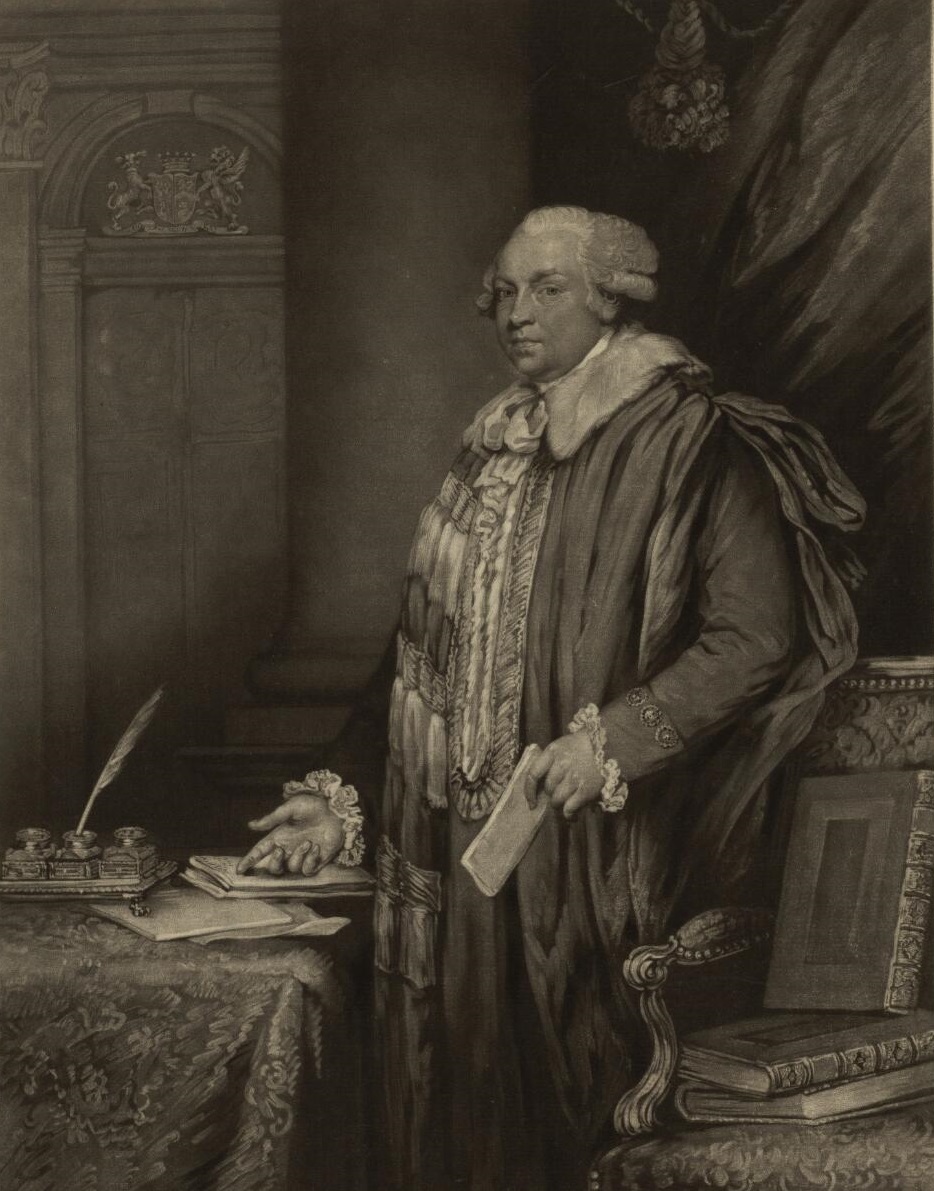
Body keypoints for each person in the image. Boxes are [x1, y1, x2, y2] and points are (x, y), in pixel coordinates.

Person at [239, 207, 865, 1190]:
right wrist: (339, 796)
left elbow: (755, 639)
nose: (516, 313)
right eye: (504, 291)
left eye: (547, 288)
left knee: (566, 1112)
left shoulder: (691, 437)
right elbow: (419, 656)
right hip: (456, 856)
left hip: (597, 850)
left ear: (611, 297)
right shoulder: (493, 448)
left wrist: (610, 741)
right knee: (455, 1116)